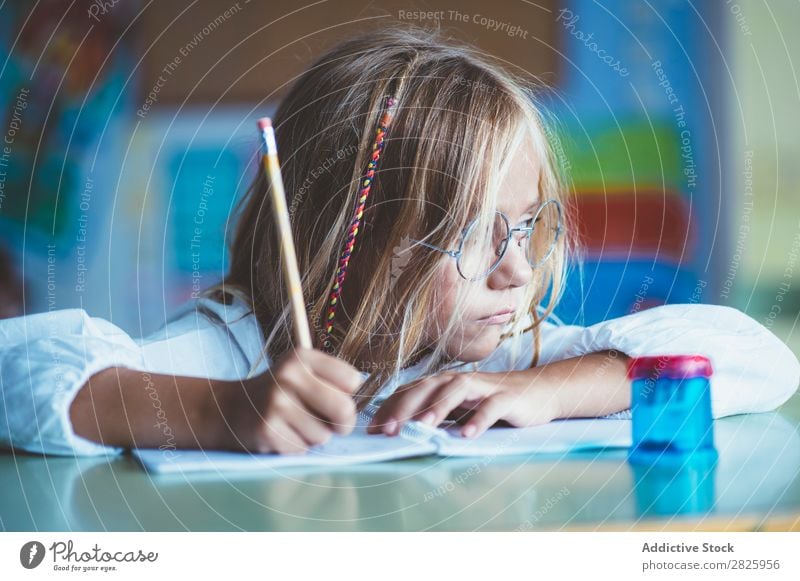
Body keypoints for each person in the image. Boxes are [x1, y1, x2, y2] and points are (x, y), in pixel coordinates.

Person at [1, 26, 797, 457]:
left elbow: (760, 358)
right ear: (346, 235)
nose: (518, 270)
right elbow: (21, 375)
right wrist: (220, 412)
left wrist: (546, 389)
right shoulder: (241, 350)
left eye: (522, 227)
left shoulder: (503, 356)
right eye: (466, 237)